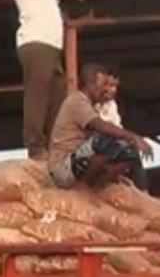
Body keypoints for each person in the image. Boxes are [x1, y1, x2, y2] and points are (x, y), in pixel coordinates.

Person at [47, 62, 153, 190]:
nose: (105, 90)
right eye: (103, 85)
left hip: (78, 160)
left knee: (129, 151)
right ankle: (84, 188)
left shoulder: (93, 105)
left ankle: (97, 187)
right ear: (90, 85)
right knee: (103, 140)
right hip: (63, 167)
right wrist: (135, 137)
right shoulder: (76, 101)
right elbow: (100, 126)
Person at [11, 0, 67, 159]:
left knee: (58, 96)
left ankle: (54, 147)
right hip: (35, 43)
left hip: (53, 47)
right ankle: (35, 146)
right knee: (38, 95)